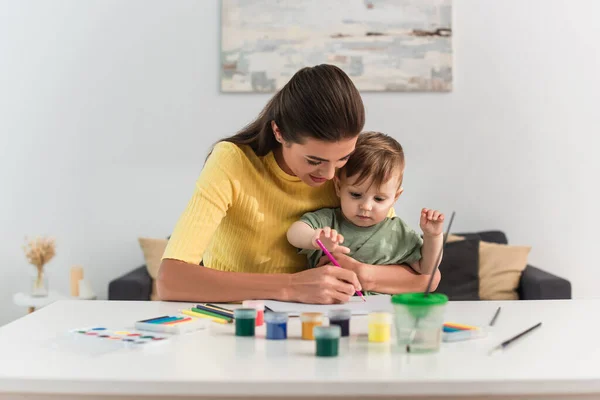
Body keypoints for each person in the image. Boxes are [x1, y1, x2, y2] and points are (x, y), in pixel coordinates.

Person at [157, 64, 440, 304]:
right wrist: (293, 286)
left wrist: (363, 274)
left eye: (342, 158)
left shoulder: (349, 178)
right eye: (314, 160)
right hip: (239, 321)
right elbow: (171, 280)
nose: (330, 176)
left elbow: (426, 277)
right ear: (279, 132)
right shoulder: (232, 162)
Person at [287, 132, 445, 295]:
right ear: (339, 187)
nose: (366, 206)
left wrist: (433, 236)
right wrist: (315, 239)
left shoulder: (398, 232)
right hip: (329, 304)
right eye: (356, 195)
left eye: (379, 199)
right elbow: (294, 233)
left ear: (395, 197)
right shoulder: (329, 221)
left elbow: (427, 268)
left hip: (381, 314)